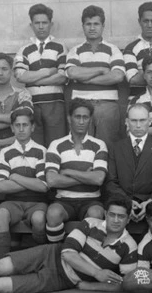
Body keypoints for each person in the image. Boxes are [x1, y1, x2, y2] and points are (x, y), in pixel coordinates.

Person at [0, 198, 138, 293]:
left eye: (121, 216)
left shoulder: (129, 246)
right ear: (106, 214)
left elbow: (126, 283)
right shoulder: (91, 223)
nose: (116, 220)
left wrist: (88, 284)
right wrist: (97, 272)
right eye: (112, 214)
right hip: (51, 255)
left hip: (60, 280)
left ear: (128, 219)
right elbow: (68, 253)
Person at [44, 98, 108, 244]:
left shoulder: (98, 145)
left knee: (96, 214)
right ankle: (57, 253)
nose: (81, 121)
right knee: (53, 213)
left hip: (91, 200)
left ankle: (86, 256)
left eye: (85, 117)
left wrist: (67, 171)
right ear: (69, 118)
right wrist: (86, 176)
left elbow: (98, 179)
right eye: (77, 117)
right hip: (64, 200)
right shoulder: (56, 145)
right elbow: (52, 180)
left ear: (90, 120)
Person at [65, 5, 126, 146]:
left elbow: (117, 76)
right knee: (82, 146)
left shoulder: (113, 50)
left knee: (108, 146)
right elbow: (72, 72)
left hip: (107, 106)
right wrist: (101, 69)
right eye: (88, 24)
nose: (92, 28)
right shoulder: (76, 50)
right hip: (81, 106)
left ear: (103, 26)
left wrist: (84, 79)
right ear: (83, 26)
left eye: (96, 24)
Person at [0, 111, 49, 258]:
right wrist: (32, 181)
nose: (21, 129)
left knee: (39, 219)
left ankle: (40, 258)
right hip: (12, 202)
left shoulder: (41, 151)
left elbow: (43, 186)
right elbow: (1, 186)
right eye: (17, 125)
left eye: (25, 125)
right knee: (0, 214)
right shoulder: (5, 152)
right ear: (12, 128)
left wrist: (15, 176)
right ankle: (2, 260)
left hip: (36, 203)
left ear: (33, 127)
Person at [14, 3, 68, 148]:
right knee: (35, 145)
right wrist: (48, 72)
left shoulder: (60, 47)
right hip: (32, 104)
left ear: (51, 24)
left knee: (56, 144)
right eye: (37, 23)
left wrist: (34, 79)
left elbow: (63, 76)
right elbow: (20, 76)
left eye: (44, 22)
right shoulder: (24, 50)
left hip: (55, 104)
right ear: (31, 25)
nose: (41, 26)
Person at [106, 103, 152, 223]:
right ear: (127, 122)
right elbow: (111, 182)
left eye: (142, 120)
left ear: (149, 121)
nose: (138, 125)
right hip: (122, 202)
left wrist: (150, 203)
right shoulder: (115, 148)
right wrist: (126, 202)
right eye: (134, 121)